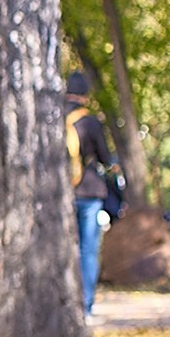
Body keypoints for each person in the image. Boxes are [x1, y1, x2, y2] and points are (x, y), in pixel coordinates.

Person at [66, 73, 115, 314]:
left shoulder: (52, 118)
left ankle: (66, 302)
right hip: (90, 190)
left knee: (66, 249)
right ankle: (86, 305)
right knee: (88, 250)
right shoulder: (90, 121)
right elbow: (105, 157)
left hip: (62, 193)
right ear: (85, 95)